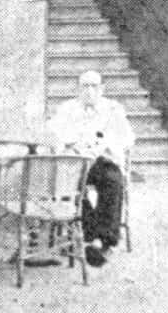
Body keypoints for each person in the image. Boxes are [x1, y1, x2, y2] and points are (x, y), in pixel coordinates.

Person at [46, 69, 135, 267]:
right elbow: (53, 132)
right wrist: (71, 143)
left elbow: (127, 138)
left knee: (114, 181)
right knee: (69, 186)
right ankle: (90, 233)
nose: (89, 91)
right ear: (78, 89)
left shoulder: (113, 110)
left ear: (102, 89)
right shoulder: (67, 108)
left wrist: (107, 143)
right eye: (84, 86)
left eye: (94, 86)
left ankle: (102, 240)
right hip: (76, 163)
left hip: (102, 161)